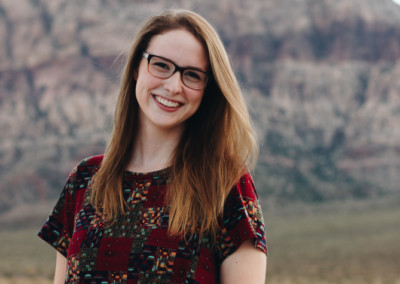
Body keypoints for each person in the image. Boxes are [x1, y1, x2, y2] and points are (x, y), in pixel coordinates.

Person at [38, 9, 267, 283]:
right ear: (137, 67)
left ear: (208, 89)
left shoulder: (225, 184)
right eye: (161, 65)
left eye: (192, 75)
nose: (173, 86)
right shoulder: (85, 180)